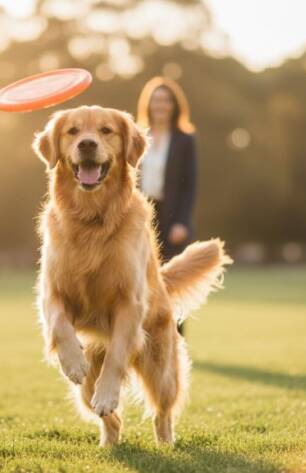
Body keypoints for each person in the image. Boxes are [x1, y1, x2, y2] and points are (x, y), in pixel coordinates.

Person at [136, 77, 198, 335]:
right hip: (140, 214)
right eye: (156, 100)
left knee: (171, 279)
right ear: (148, 104)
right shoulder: (137, 134)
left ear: (174, 105)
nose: (161, 105)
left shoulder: (185, 140)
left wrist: (181, 221)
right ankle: (142, 336)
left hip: (170, 215)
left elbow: (190, 185)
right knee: (139, 277)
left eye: (166, 101)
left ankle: (175, 337)